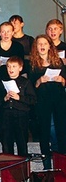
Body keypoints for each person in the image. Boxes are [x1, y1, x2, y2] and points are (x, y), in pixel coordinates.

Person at [29, 34, 66, 169]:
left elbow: (65, 80)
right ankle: (46, 164)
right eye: (39, 44)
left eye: (45, 43)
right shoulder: (32, 64)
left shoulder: (59, 62)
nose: (42, 46)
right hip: (42, 103)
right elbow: (30, 86)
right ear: (36, 47)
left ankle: (60, 162)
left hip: (59, 101)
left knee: (59, 131)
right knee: (45, 131)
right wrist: (39, 81)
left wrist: (62, 80)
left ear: (50, 46)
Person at [0, 56, 36, 157]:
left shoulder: (25, 82)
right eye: (8, 66)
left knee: (22, 143)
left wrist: (19, 97)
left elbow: (33, 100)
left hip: (21, 115)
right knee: (6, 144)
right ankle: (7, 171)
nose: (11, 69)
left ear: (20, 68)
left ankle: (23, 170)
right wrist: (5, 98)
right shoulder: (3, 82)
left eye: (14, 66)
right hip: (7, 115)